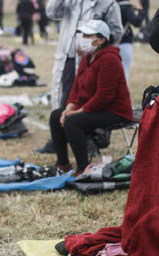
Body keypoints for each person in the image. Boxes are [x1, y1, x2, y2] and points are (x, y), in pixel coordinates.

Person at [37, 0, 123, 154]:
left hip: (92, 61)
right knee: (64, 100)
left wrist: (93, 45)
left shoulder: (107, 2)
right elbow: (50, 12)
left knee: (87, 101)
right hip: (67, 58)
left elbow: (116, 32)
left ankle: (90, 141)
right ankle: (58, 137)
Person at [49, 20, 133, 174]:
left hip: (114, 111)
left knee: (73, 122)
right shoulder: (87, 58)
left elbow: (104, 96)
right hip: (94, 107)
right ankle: (62, 164)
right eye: (82, 34)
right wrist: (68, 108)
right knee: (56, 115)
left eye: (87, 35)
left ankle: (83, 168)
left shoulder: (110, 59)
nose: (82, 38)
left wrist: (78, 112)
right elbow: (76, 89)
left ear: (101, 40)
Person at [111, 0, 145, 82]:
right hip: (124, 42)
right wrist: (140, 11)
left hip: (109, 43)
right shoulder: (126, 6)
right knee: (124, 72)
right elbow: (137, 22)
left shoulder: (108, 4)